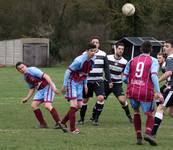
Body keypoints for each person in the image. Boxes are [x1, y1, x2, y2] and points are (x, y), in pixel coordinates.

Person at [123, 41, 163, 145]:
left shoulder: (132, 60)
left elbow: (124, 78)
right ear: (151, 50)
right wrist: (158, 92)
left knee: (136, 112)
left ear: (140, 49)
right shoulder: (153, 61)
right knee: (151, 114)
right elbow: (154, 76)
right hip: (145, 91)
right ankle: (148, 133)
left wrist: (132, 83)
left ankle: (138, 137)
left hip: (132, 91)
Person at [16, 62, 67, 132]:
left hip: (48, 87)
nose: (22, 69)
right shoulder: (26, 77)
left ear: (25, 66)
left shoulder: (32, 70)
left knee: (47, 105)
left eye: (22, 67)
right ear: (18, 71)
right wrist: (27, 98)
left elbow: (46, 76)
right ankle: (43, 124)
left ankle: (60, 123)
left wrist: (53, 87)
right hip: (40, 90)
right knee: (34, 105)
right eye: (19, 69)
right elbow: (32, 88)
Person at [61, 43, 96, 134]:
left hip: (80, 83)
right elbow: (68, 71)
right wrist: (64, 85)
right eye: (91, 51)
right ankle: (73, 129)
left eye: (94, 51)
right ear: (87, 51)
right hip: (71, 82)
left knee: (79, 106)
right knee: (73, 105)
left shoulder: (93, 59)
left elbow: (86, 72)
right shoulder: (79, 60)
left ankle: (62, 123)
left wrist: (85, 85)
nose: (93, 53)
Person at [78, 36, 112, 125]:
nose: (95, 44)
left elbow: (106, 68)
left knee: (100, 98)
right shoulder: (85, 54)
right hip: (87, 81)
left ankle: (95, 119)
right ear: (91, 44)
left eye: (97, 42)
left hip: (99, 80)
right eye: (94, 42)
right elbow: (80, 67)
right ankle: (81, 119)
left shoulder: (103, 54)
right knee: (84, 100)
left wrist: (109, 80)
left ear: (99, 45)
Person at [104, 42, 132, 123]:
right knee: (101, 99)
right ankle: (94, 118)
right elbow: (104, 68)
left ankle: (129, 117)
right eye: (119, 49)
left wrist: (127, 81)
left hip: (117, 84)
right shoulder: (108, 57)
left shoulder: (125, 62)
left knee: (122, 100)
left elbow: (124, 74)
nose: (121, 51)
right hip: (107, 82)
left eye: (122, 49)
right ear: (115, 49)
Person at [151, 40, 173, 141]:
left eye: (167, 46)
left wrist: (157, 80)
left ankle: (152, 134)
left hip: (172, 89)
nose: (165, 48)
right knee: (171, 113)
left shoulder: (170, 58)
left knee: (160, 108)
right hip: (170, 86)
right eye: (164, 46)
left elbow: (169, 72)